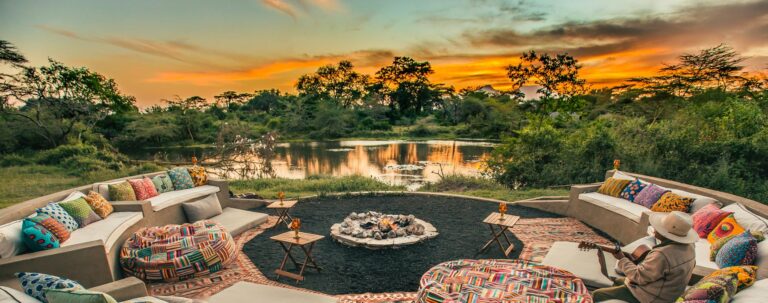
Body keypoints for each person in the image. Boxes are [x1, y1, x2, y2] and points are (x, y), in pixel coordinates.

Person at [592, 211, 697, 303]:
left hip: (653, 298)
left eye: (659, 228)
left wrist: (621, 258)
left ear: (666, 234)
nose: (654, 229)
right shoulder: (690, 247)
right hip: (668, 293)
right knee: (619, 281)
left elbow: (638, 277)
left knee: (597, 294)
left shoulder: (663, 254)